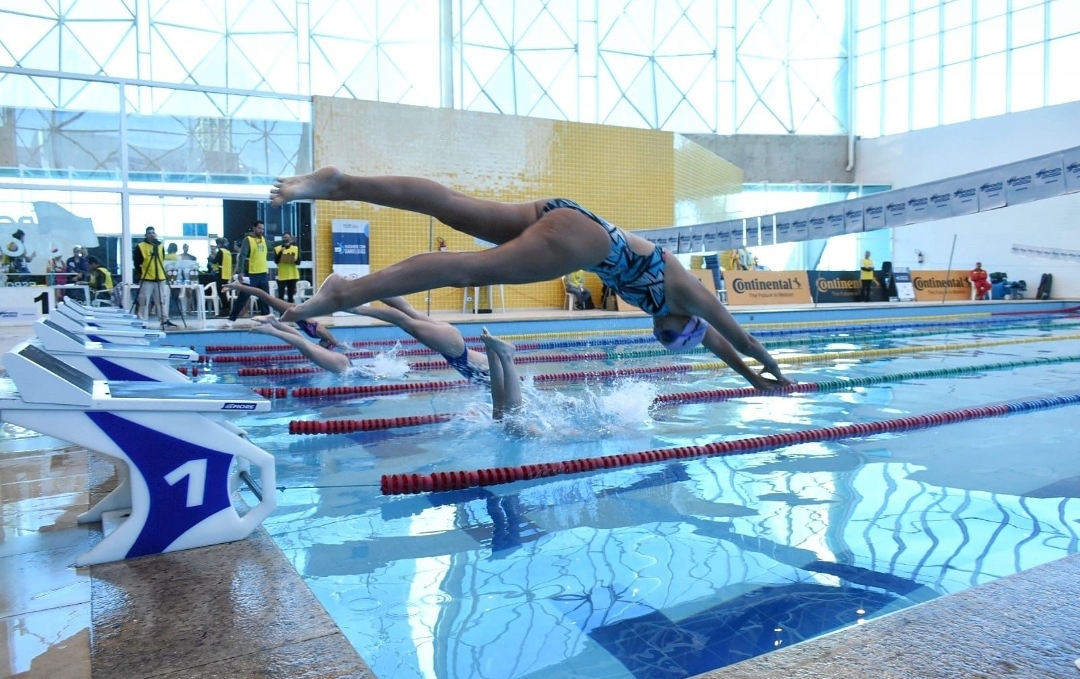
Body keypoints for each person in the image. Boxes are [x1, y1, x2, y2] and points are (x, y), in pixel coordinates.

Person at [270, 166, 791, 389]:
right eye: (674, 336)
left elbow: (719, 347)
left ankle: (339, 184)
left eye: (668, 341)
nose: (663, 336)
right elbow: (737, 335)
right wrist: (774, 369)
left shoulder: (667, 308)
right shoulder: (687, 293)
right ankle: (347, 291)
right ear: (688, 321)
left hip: (568, 217)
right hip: (578, 240)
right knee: (465, 269)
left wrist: (749, 380)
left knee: (453, 208)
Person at [349, 297, 490, 383]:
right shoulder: (502, 382)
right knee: (402, 320)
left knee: (407, 310)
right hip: (454, 348)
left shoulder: (501, 378)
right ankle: (355, 308)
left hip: (453, 342)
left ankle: (369, 288)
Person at [223, 280, 343, 348]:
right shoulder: (323, 333)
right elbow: (337, 342)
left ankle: (271, 320)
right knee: (266, 298)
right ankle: (237, 285)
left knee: (266, 298)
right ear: (327, 343)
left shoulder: (319, 337)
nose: (320, 347)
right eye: (325, 347)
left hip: (294, 314)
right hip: (295, 310)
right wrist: (347, 348)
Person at [228, 220, 271, 322]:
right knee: (243, 297)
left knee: (265, 298)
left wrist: (284, 241)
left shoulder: (264, 240)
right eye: (260, 228)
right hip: (251, 275)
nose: (261, 230)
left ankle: (267, 320)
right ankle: (232, 319)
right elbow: (242, 256)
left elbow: (273, 244)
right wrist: (241, 272)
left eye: (263, 229)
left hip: (263, 274)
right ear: (254, 228)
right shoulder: (248, 240)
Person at [133, 226, 176, 328]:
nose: (151, 234)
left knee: (161, 300)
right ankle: (143, 320)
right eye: (149, 233)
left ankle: (164, 319)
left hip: (160, 277)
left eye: (153, 233)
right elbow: (137, 262)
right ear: (146, 235)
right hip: (147, 277)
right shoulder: (140, 246)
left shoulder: (160, 246)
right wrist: (142, 273)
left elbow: (162, 259)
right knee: (144, 299)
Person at [274, 233, 300, 303]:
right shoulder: (277, 249)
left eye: (288, 237)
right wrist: (281, 251)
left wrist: (295, 259)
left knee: (290, 297)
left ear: (290, 239)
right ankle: (281, 313)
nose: (286, 239)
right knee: (281, 297)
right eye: (284, 237)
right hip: (282, 275)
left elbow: (299, 262)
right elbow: (276, 261)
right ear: (282, 239)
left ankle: (290, 312)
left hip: (292, 275)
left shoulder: (295, 248)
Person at [211, 237, 232, 316]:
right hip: (226, 274)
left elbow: (215, 261)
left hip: (220, 274)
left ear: (219, 244)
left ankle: (225, 309)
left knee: (221, 293)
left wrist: (211, 256)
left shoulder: (220, 252)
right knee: (224, 292)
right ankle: (226, 308)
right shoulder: (228, 252)